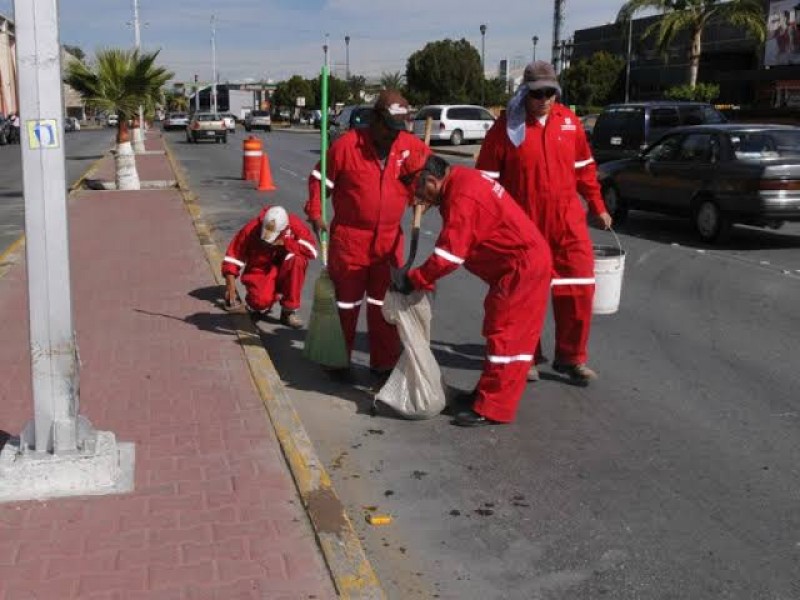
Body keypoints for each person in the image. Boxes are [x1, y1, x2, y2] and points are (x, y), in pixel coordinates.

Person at [476, 60, 612, 385]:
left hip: (568, 223)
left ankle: (571, 358)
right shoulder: (508, 127)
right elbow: (486, 179)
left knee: (580, 289)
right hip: (525, 225)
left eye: (551, 93)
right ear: (526, 92)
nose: (545, 100)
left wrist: (597, 205)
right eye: (538, 94)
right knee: (528, 295)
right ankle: (529, 357)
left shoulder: (569, 122)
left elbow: (585, 169)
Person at [392, 155, 552, 427]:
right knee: (498, 330)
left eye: (421, 193)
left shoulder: (463, 196)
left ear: (432, 180)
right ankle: (486, 394)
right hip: (514, 268)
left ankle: (493, 408)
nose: (421, 201)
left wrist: (415, 279)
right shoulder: (460, 182)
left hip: (521, 269)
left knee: (506, 338)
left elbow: (449, 255)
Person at [305, 90, 431, 377]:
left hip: (389, 242)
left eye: (399, 129)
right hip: (350, 239)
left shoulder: (409, 147)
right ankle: (337, 360)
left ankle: (383, 362)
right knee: (346, 304)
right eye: (389, 128)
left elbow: (431, 179)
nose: (393, 136)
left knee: (384, 306)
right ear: (375, 120)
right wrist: (315, 213)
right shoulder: (347, 146)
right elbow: (318, 180)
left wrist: (424, 195)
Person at [221, 205, 317, 329]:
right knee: (259, 302)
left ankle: (288, 311)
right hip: (260, 271)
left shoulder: (294, 225)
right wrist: (230, 287)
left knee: (297, 260)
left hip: (284, 268)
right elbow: (233, 256)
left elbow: (312, 252)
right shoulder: (251, 228)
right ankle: (263, 298)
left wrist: (287, 242)